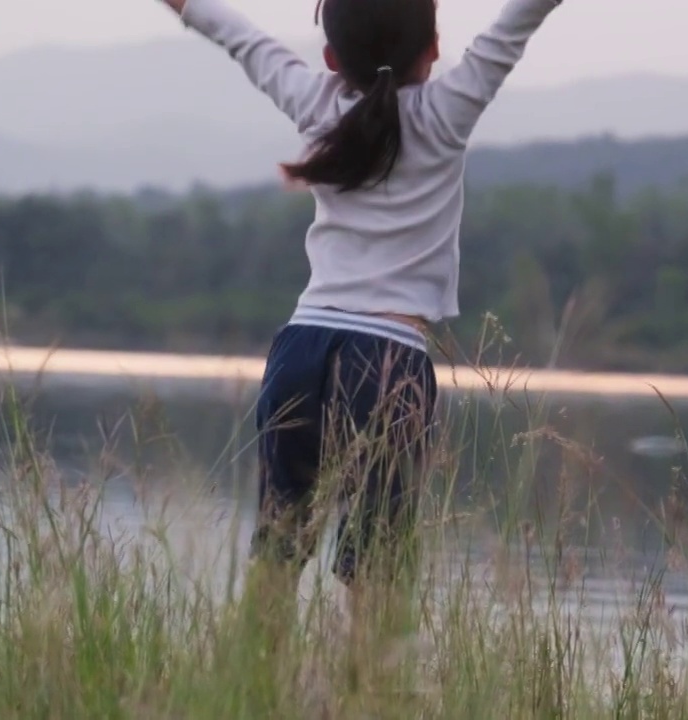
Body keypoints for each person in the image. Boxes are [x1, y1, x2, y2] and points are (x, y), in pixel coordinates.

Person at [158, 0, 564, 595]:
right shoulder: (447, 112)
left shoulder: (316, 103)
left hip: (299, 351)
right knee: (375, 575)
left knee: (276, 554)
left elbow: (234, 32)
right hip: (388, 362)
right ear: (433, 47)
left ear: (330, 58)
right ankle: (368, 689)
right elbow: (519, 19)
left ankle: (253, 684)